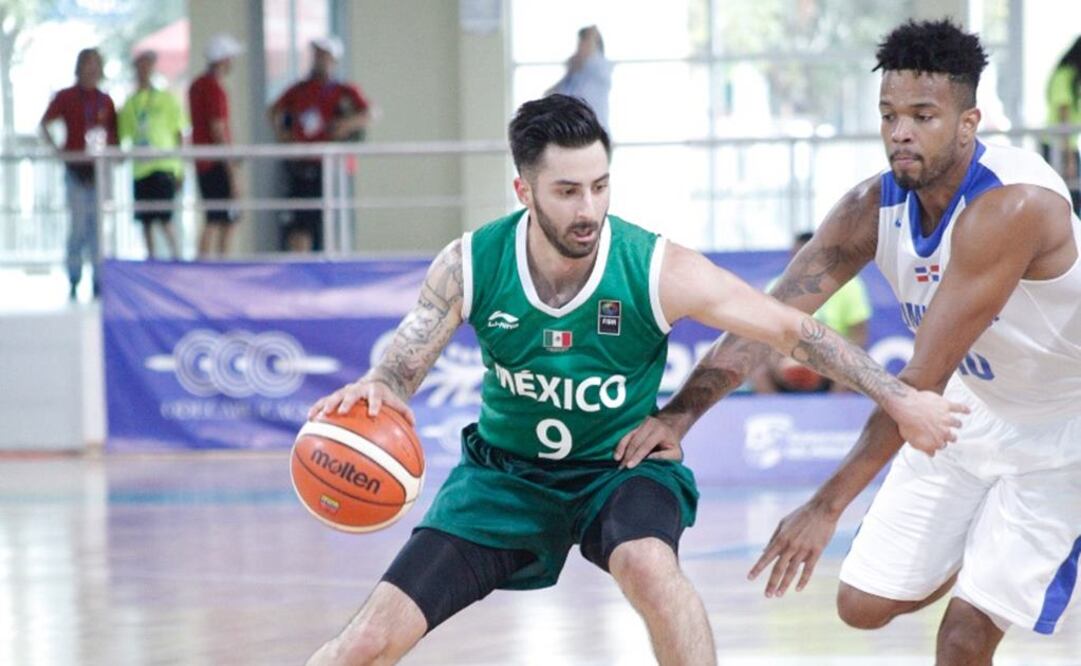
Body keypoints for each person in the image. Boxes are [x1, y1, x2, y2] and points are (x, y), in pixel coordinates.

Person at [302, 94, 963, 666]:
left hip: (619, 468)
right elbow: (401, 366)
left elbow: (787, 328)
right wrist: (382, 386)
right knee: (366, 642)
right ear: (524, 191)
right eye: (567, 191)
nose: (588, 208)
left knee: (649, 565)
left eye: (599, 185)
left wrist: (899, 397)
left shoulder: (653, 266)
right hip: (504, 477)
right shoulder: (471, 263)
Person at [616, 20, 1081, 664]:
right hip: (971, 407)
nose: (900, 133)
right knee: (861, 604)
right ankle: (976, 542)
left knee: (964, 635)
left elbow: (918, 383)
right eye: (889, 115)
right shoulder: (870, 208)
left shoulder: (1011, 207)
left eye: (923, 116)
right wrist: (679, 417)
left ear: (968, 123)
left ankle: (991, 563)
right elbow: (768, 318)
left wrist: (824, 506)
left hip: (1062, 427)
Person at [268, 35, 371, 252]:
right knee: (300, 222)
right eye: (316, 55)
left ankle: (326, 260)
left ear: (333, 60)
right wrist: (283, 135)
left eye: (324, 55)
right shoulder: (299, 89)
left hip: (329, 168)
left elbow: (368, 113)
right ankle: (301, 264)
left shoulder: (343, 90)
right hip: (301, 165)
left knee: (327, 221)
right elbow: (274, 110)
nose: (318, 60)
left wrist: (345, 125)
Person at [39, 48, 118, 300]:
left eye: (96, 64)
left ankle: (98, 279)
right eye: (87, 64)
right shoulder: (66, 96)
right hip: (75, 170)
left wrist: (113, 157)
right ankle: (74, 277)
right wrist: (58, 151)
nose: (91, 69)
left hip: (98, 171)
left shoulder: (105, 101)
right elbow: (44, 124)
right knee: (78, 226)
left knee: (97, 228)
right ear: (79, 67)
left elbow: (114, 136)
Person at [751, 230, 872, 393]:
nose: (803, 263)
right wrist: (776, 366)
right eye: (798, 257)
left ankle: (836, 407)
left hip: (833, 362)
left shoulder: (850, 285)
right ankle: (773, 408)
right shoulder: (776, 287)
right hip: (788, 357)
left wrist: (840, 363)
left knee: (855, 371)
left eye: (808, 257)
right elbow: (766, 336)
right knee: (759, 371)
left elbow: (858, 335)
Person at [117, 51, 187, 259]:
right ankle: (151, 259)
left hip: (164, 166)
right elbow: (123, 136)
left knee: (165, 217)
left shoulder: (167, 99)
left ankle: (176, 257)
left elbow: (179, 134)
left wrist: (180, 169)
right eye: (140, 65)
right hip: (141, 170)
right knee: (146, 220)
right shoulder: (130, 103)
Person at [190, 33, 244, 257]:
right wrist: (231, 169)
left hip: (204, 161)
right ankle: (219, 266)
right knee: (222, 219)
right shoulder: (213, 88)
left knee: (215, 217)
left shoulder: (197, 85)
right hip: (216, 163)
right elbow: (218, 129)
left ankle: (209, 265)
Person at [546, 25, 612, 132]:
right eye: (579, 45)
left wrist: (592, 31)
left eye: (582, 44)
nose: (579, 49)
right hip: (574, 132)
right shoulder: (573, 76)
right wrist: (570, 71)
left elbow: (591, 36)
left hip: (595, 130)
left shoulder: (598, 66)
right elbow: (550, 94)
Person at [1043, 36, 1081, 212]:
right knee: (1066, 198)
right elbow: (1063, 116)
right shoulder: (1064, 75)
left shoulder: (1073, 77)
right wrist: (1069, 157)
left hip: (1068, 145)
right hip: (1058, 145)